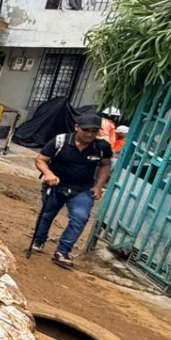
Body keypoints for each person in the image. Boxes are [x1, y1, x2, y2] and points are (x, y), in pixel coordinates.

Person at [31, 113, 113, 267]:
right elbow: (40, 159)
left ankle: (62, 252)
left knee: (80, 217)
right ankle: (38, 241)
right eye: (86, 130)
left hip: (82, 189)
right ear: (77, 127)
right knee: (47, 214)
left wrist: (98, 186)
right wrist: (48, 173)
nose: (90, 134)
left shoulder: (102, 147)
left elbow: (105, 165)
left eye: (94, 131)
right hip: (56, 185)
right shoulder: (60, 141)